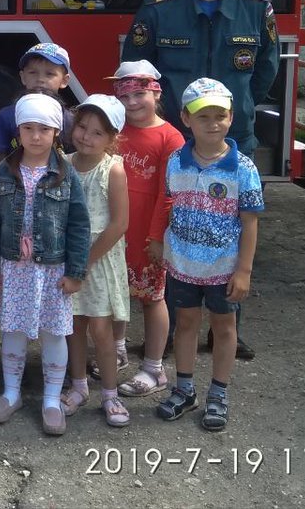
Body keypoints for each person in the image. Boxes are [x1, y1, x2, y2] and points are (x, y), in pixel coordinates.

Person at [121, 0, 277, 360]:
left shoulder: (254, 8)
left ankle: (227, 328)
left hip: (234, 143)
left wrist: (238, 113)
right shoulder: (159, 10)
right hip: (176, 146)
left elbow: (264, 71)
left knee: (230, 231)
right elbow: (139, 75)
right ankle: (169, 331)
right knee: (174, 231)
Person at [157, 79, 263, 432]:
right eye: (204, 117)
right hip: (183, 264)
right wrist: (160, 243)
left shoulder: (243, 169)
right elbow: (170, 206)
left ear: (231, 118)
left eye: (220, 116)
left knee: (223, 327)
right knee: (185, 324)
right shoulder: (176, 162)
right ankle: (185, 389)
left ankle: (218, 393)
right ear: (186, 119)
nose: (213, 123)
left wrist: (244, 271)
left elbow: (249, 224)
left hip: (223, 268)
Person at [0, 94, 89, 437]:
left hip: (52, 269)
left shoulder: (65, 172)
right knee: (12, 330)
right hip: (13, 268)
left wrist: (75, 272)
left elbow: (78, 224)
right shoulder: (3, 171)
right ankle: (11, 392)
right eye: (28, 128)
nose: (36, 136)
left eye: (44, 129)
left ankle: (52, 400)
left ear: (57, 132)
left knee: (54, 332)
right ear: (19, 131)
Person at [107, 61, 184, 400]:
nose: (133, 103)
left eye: (140, 94)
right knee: (114, 293)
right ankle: (118, 350)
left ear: (156, 92)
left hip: (148, 234)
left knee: (152, 299)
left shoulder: (171, 137)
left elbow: (169, 193)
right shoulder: (114, 130)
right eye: (125, 96)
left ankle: (154, 367)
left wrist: (157, 237)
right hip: (114, 230)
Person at [59, 95, 132, 428]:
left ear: (112, 138)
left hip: (98, 260)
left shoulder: (112, 169)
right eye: (82, 127)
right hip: (68, 257)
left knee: (101, 329)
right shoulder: (63, 162)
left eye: (97, 133)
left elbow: (119, 224)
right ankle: (78, 387)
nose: (86, 137)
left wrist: (85, 261)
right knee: (73, 326)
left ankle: (110, 392)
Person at [0, 43, 74, 167]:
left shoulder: (69, 119)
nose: (40, 79)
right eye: (33, 72)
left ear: (64, 80)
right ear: (23, 77)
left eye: (49, 74)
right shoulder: (7, 115)